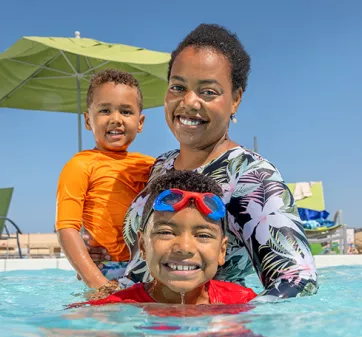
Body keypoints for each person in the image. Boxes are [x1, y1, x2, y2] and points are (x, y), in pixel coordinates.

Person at [115, 24, 318, 299]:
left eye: (208, 92)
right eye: (178, 87)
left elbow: (298, 280)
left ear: (235, 99)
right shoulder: (162, 166)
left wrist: (225, 325)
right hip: (141, 323)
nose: (189, 101)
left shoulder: (250, 177)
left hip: (201, 335)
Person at [69, 171, 257, 307]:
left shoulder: (243, 302)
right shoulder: (113, 308)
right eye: (167, 232)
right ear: (142, 244)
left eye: (203, 235)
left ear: (222, 251)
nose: (184, 247)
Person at [56, 69, 155, 292]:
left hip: (149, 268)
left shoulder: (151, 166)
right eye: (105, 110)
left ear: (140, 122)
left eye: (126, 111)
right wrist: (95, 281)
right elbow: (66, 228)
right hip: (104, 269)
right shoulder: (80, 165)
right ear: (88, 120)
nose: (116, 119)